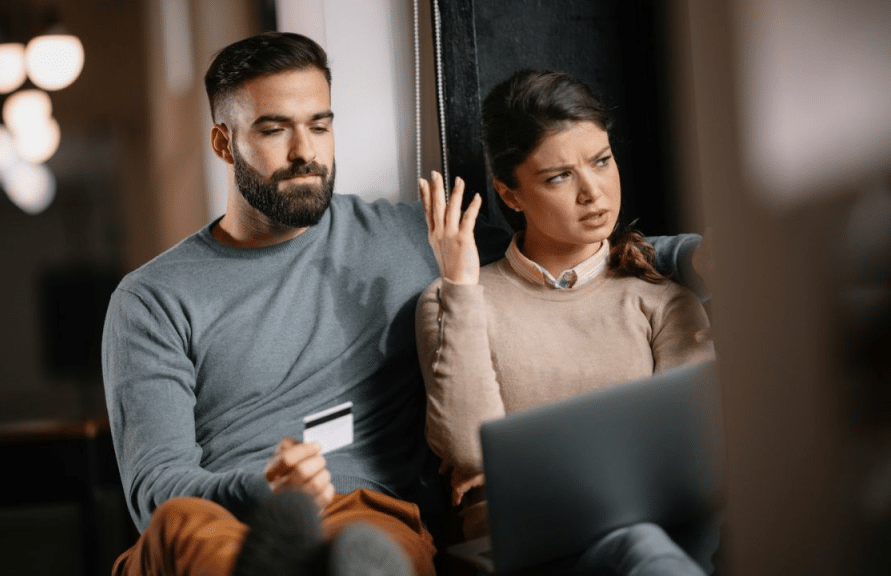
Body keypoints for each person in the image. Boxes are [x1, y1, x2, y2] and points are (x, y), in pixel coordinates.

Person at [101, 33, 706, 576]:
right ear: (223, 143)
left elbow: (562, 242)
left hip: (363, 509)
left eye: (319, 125)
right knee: (187, 532)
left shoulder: (409, 236)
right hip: (225, 514)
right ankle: (265, 559)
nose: (303, 151)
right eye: (273, 128)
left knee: (374, 548)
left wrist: (696, 258)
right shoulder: (153, 299)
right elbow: (156, 485)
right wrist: (262, 489)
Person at [415, 69, 716, 573]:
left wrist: (520, 472)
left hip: (648, 536)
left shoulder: (662, 299)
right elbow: (469, 447)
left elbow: (690, 458)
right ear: (510, 194)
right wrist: (462, 287)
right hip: (527, 553)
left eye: (601, 161)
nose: (593, 193)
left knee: (640, 545)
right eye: (559, 177)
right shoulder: (456, 301)